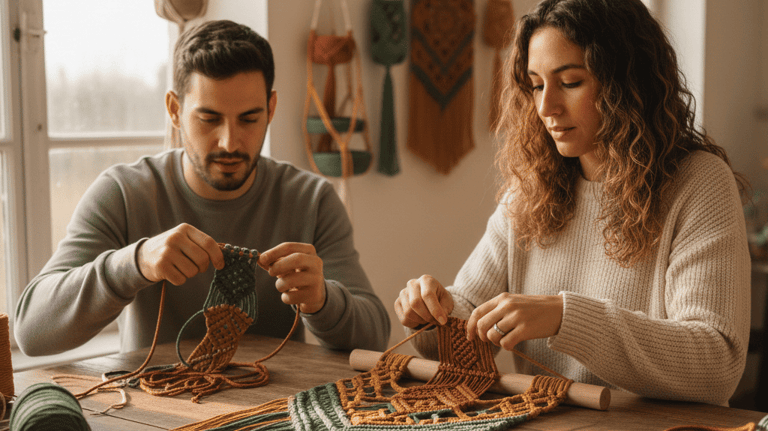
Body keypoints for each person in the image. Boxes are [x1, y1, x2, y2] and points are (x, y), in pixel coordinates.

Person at [395, 0, 750, 406]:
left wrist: (567, 317)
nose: (546, 108)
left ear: (625, 82)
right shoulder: (530, 190)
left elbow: (717, 366)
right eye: (537, 84)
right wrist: (432, 314)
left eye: (570, 82)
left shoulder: (700, 184)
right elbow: (469, 320)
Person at [15, 20, 390, 356]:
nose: (230, 141)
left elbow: (375, 336)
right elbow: (32, 331)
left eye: (249, 118)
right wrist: (134, 263)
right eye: (209, 118)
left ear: (271, 109)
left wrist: (324, 301)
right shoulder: (123, 193)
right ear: (175, 110)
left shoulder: (312, 200)